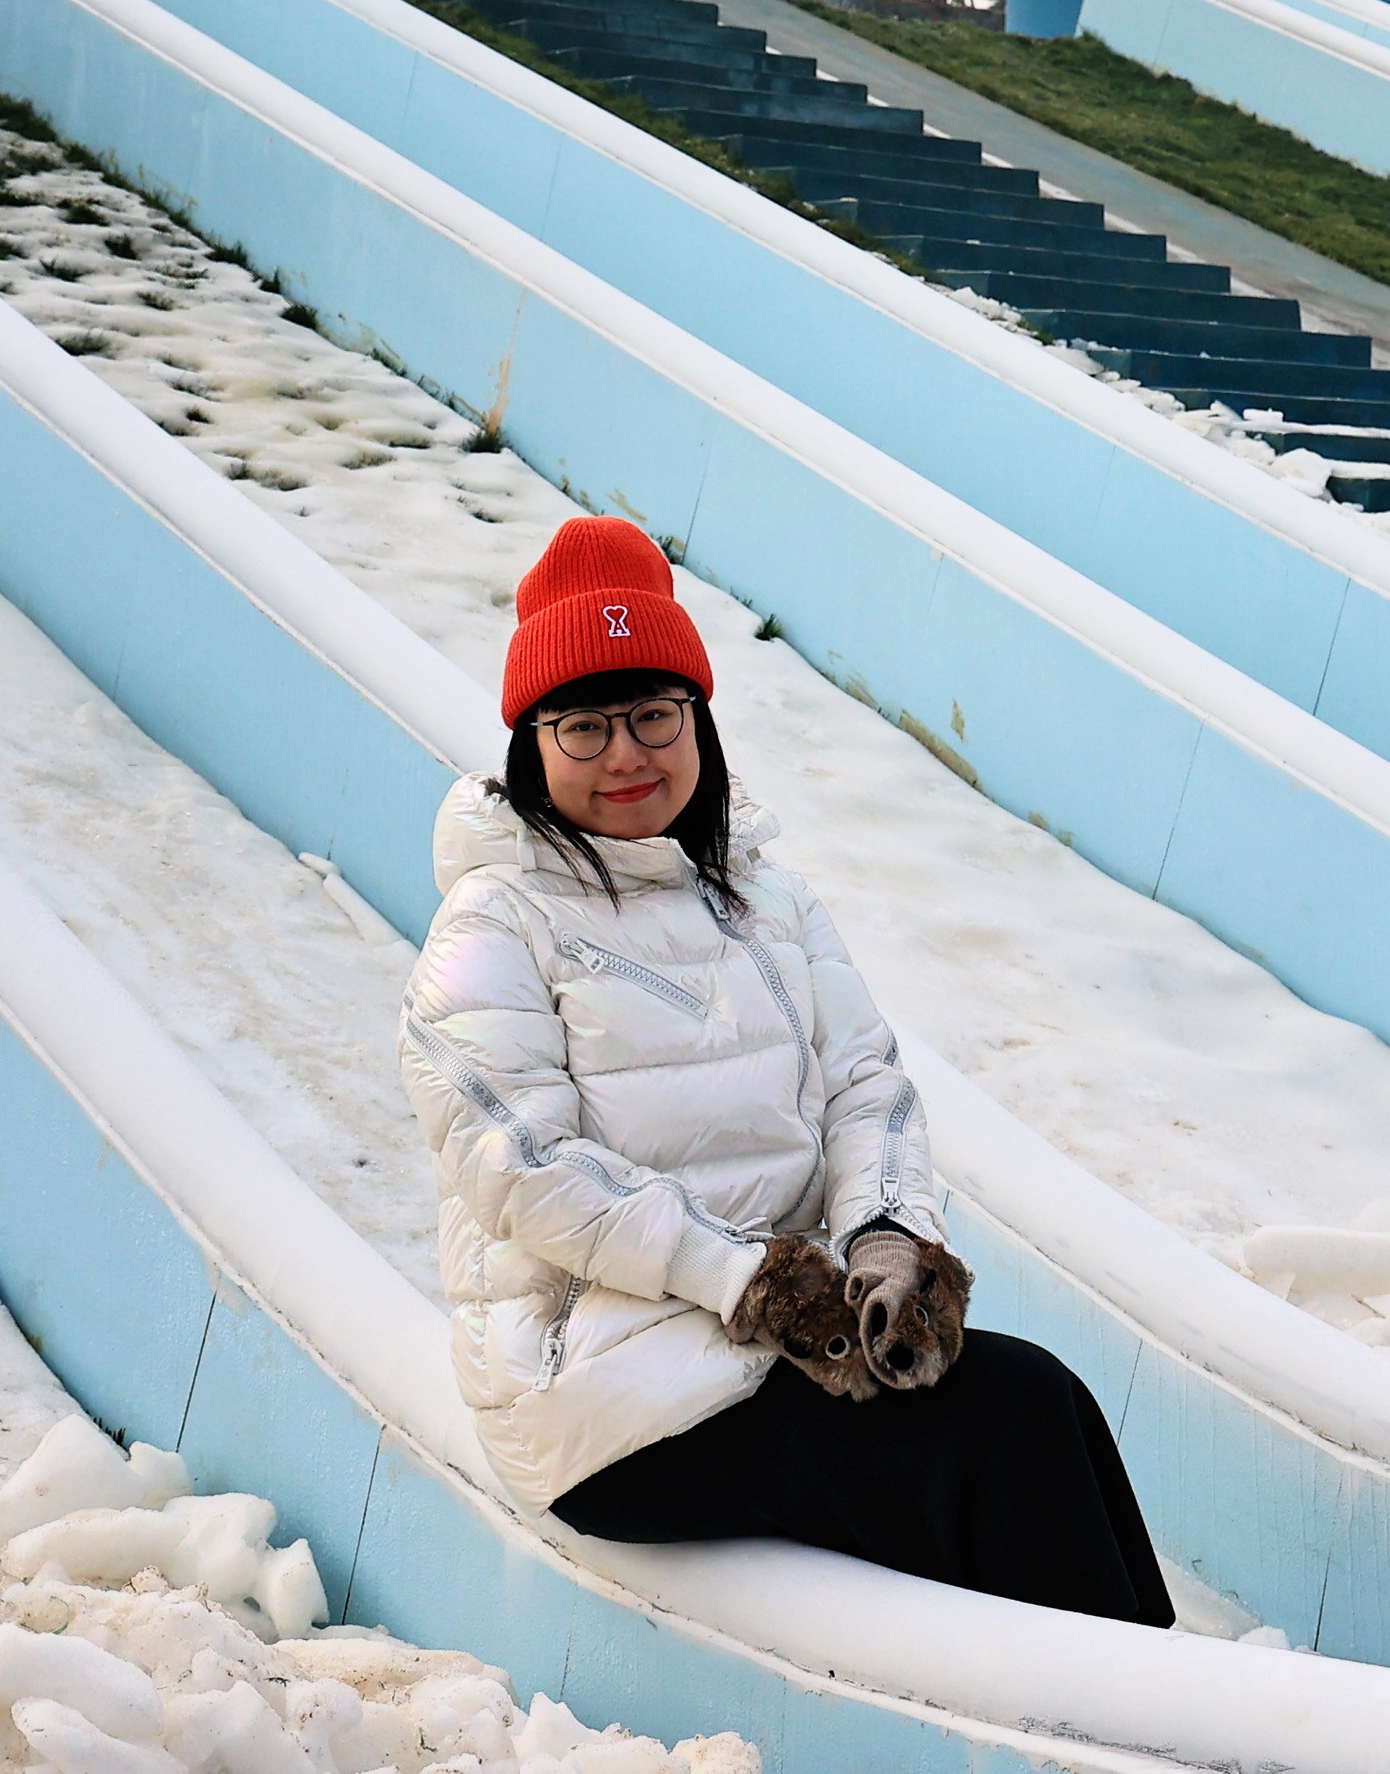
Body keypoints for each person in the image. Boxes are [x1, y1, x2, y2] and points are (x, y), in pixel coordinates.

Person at [398, 515, 1173, 1626]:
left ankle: (1170, 1708)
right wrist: (748, 1282)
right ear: (531, 747)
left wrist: (884, 1245)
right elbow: (522, 1167)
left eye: (655, 716)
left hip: (784, 1349)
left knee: (1043, 1400)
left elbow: (867, 1088)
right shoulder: (492, 926)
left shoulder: (767, 902)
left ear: (698, 725)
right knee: (995, 1447)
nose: (627, 754)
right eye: (583, 726)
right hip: (608, 1390)